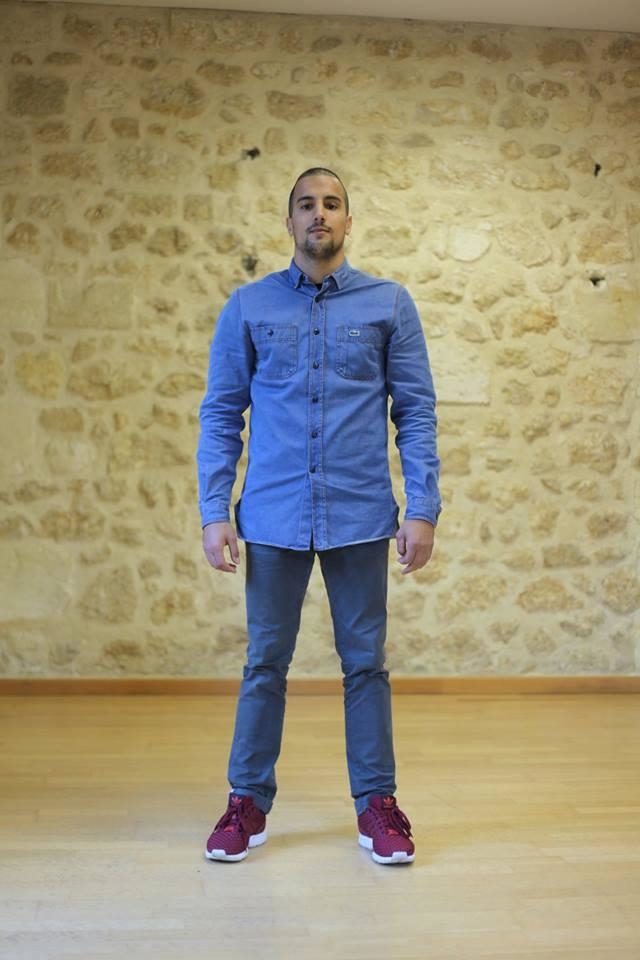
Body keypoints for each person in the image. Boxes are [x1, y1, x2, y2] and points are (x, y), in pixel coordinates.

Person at [196, 167, 441, 865]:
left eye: (332, 204)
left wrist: (422, 507)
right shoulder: (249, 306)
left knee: (365, 664)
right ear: (290, 222)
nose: (319, 215)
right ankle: (247, 801)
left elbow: (416, 411)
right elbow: (222, 413)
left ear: (348, 221)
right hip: (272, 516)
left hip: (359, 515)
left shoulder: (389, 303)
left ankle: (377, 805)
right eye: (306, 205)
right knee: (264, 663)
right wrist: (214, 510)